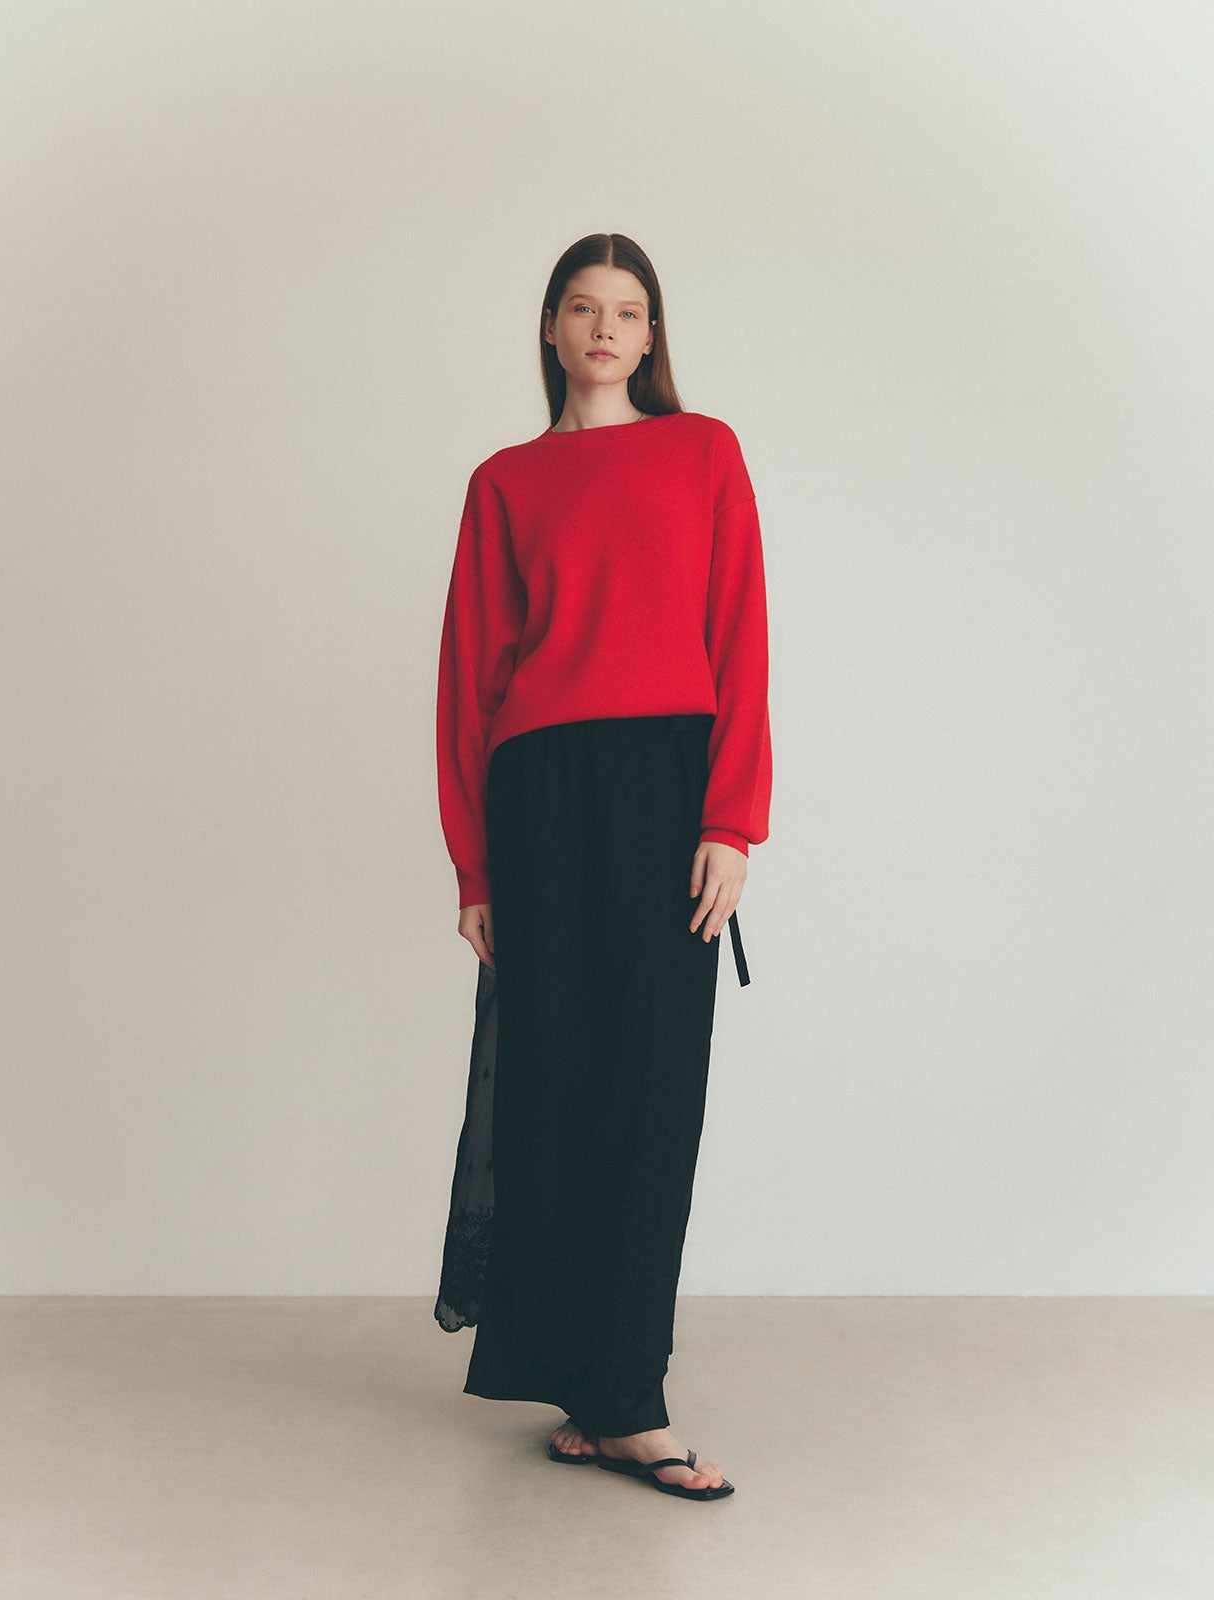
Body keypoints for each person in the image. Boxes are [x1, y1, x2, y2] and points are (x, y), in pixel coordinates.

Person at [433, 233, 771, 1503]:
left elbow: (738, 634)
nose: (604, 327)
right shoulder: (504, 481)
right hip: (538, 794)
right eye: (582, 306)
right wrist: (473, 867)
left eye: (627, 310)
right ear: (551, 327)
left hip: (664, 785)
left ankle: (628, 1391)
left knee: (648, 1084)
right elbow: (469, 679)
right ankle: (589, 1390)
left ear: (650, 334)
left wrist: (730, 819)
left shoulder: (703, 452)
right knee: (550, 1084)